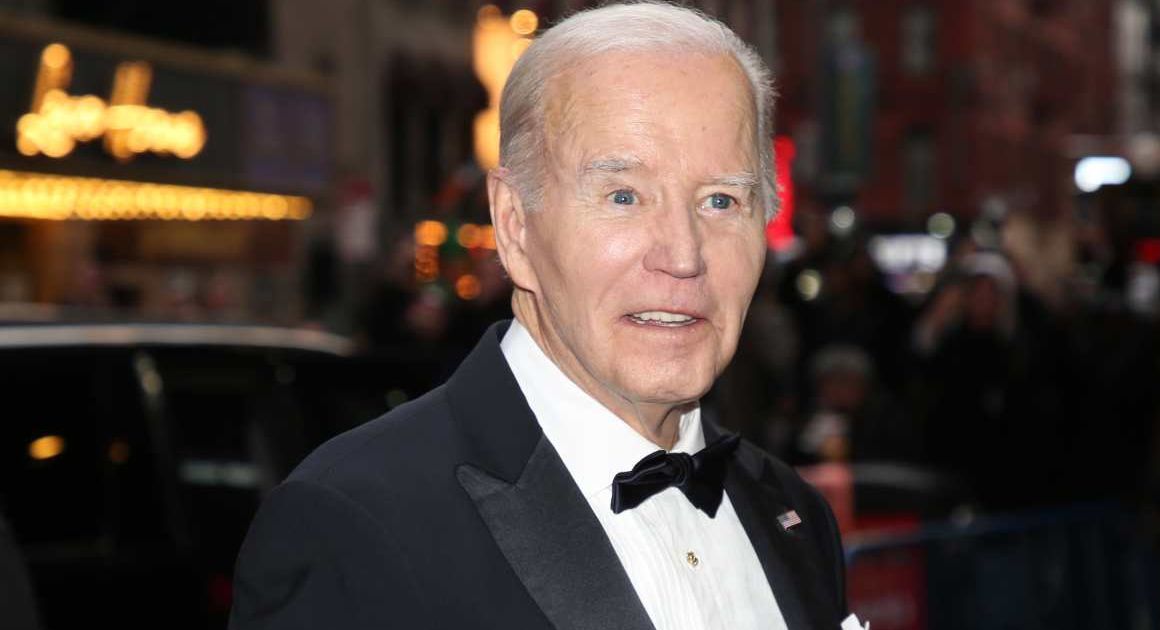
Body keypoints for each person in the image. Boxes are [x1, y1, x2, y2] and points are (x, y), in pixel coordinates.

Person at [230, 4, 847, 629]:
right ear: (515, 224)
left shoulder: (793, 513)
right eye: (623, 197)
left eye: (721, 200)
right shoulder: (354, 526)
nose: (684, 256)